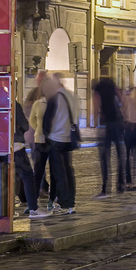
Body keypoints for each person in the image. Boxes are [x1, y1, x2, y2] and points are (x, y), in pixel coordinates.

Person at [41, 76, 78, 215]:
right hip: (68, 138)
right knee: (68, 171)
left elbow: (47, 121)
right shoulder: (71, 96)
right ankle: (71, 203)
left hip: (56, 139)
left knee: (59, 173)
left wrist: (46, 135)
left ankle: (64, 203)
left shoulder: (54, 98)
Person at [14, 100, 50, 218]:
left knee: (3, 177)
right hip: (15, 145)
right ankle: (33, 208)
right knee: (27, 175)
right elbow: (25, 125)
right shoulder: (12, 104)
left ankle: (4, 209)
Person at [93, 77, 126, 198]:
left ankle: (105, 187)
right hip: (116, 124)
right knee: (120, 155)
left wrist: (96, 120)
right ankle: (120, 183)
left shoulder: (98, 89)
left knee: (105, 158)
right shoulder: (113, 87)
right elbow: (122, 100)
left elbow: (96, 105)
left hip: (105, 125)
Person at [29, 84, 57, 210]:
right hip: (41, 140)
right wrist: (39, 129)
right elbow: (32, 120)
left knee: (53, 171)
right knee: (39, 171)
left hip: (52, 140)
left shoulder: (56, 103)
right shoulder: (38, 103)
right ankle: (35, 199)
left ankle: (52, 199)